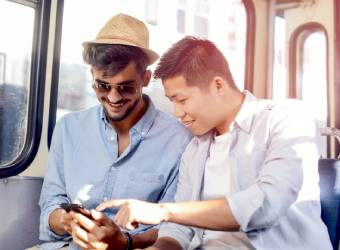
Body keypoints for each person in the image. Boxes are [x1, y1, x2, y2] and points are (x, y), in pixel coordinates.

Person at [96, 36, 333, 250]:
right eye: (171, 101)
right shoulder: (196, 148)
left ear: (218, 85)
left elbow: (266, 204)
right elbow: (180, 229)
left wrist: (163, 211)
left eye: (182, 100)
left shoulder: (286, 117)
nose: (177, 113)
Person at [37, 14, 191, 250]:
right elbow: (51, 204)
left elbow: (178, 226)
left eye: (126, 87)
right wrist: (65, 221)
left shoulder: (179, 140)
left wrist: (124, 243)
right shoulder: (68, 128)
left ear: (146, 79)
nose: (113, 98)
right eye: (103, 85)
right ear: (92, 76)